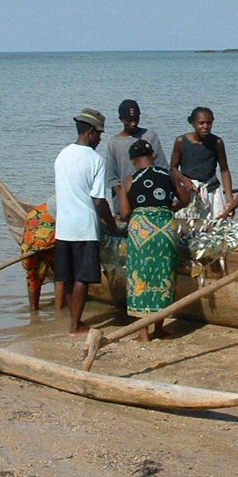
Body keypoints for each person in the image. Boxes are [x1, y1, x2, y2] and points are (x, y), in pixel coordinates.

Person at [54, 108, 118, 335]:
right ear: (90, 132)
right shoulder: (95, 160)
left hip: (63, 227)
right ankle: (75, 325)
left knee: (67, 276)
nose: (100, 139)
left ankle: (74, 321)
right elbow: (99, 200)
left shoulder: (62, 155)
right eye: (99, 134)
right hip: (84, 227)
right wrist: (112, 225)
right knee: (83, 277)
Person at [124, 139, 191, 343]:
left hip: (142, 232)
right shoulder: (167, 175)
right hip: (165, 230)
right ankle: (159, 329)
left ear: (133, 160)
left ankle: (143, 334)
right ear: (152, 156)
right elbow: (186, 199)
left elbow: (125, 212)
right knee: (164, 274)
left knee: (140, 275)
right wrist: (171, 209)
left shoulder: (130, 179)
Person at [105, 99, 167, 220]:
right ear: (121, 119)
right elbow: (112, 178)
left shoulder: (150, 136)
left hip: (150, 204)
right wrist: (124, 199)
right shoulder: (114, 143)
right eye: (129, 120)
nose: (133, 123)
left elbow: (162, 168)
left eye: (136, 119)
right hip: (125, 207)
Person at [169, 106, 233, 218]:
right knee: (187, 224)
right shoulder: (181, 142)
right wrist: (184, 180)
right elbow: (173, 168)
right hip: (188, 191)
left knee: (215, 224)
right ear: (192, 123)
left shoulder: (217, 142)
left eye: (209, 123)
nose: (205, 127)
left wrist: (230, 200)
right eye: (201, 123)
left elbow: (224, 170)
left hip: (212, 190)